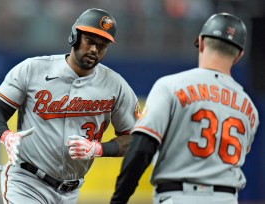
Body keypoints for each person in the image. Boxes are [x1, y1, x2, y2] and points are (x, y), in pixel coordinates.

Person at [0, 8, 140, 204]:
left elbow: (135, 139)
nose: (94, 49)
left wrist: (98, 149)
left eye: (102, 45)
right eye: (90, 41)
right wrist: (6, 136)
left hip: (71, 191)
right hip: (27, 182)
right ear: (74, 36)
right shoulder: (33, 69)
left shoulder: (116, 85)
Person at [110, 12, 259, 204]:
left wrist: (119, 199)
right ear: (239, 55)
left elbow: (141, 148)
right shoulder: (250, 109)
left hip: (179, 196)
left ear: (202, 42)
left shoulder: (171, 85)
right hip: (227, 198)